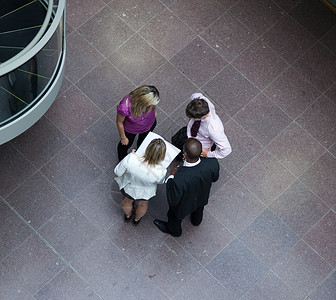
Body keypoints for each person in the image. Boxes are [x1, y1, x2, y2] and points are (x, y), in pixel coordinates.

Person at [153, 138, 219, 237]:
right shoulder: (212, 162)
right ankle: (196, 220)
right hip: (202, 197)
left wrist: (171, 176)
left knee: (174, 217)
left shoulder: (178, 178)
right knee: (199, 210)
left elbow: (173, 200)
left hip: (183, 206)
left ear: (185, 154)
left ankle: (174, 231)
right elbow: (214, 178)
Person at [114, 138, 167, 226]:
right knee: (142, 205)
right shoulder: (161, 171)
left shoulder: (131, 158)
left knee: (126, 201)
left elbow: (117, 172)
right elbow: (160, 182)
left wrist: (131, 156)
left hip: (129, 187)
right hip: (145, 192)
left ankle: (128, 215)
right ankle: (136, 219)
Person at [116, 85, 160, 161]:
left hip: (148, 124)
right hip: (131, 129)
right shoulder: (124, 107)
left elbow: (153, 105)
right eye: (150, 104)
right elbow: (119, 122)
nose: (152, 105)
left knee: (143, 141)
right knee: (125, 145)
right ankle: (123, 160)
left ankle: (140, 150)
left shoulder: (150, 103)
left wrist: (154, 111)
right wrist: (123, 137)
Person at [185, 92, 232, 159]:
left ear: (203, 116)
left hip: (201, 146)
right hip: (192, 132)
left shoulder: (214, 130)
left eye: (193, 118)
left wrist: (208, 154)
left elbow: (227, 150)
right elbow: (195, 95)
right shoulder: (201, 101)